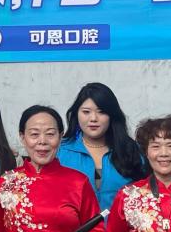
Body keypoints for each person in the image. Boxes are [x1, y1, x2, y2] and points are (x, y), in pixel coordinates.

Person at [57, 82, 143, 212]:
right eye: (86, 112)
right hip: (76, 225)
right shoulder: (59, 151)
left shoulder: (132, 150)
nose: (93, 118)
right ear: (76, 114)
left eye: (101, 112)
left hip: (122, 225)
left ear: (112, 115)